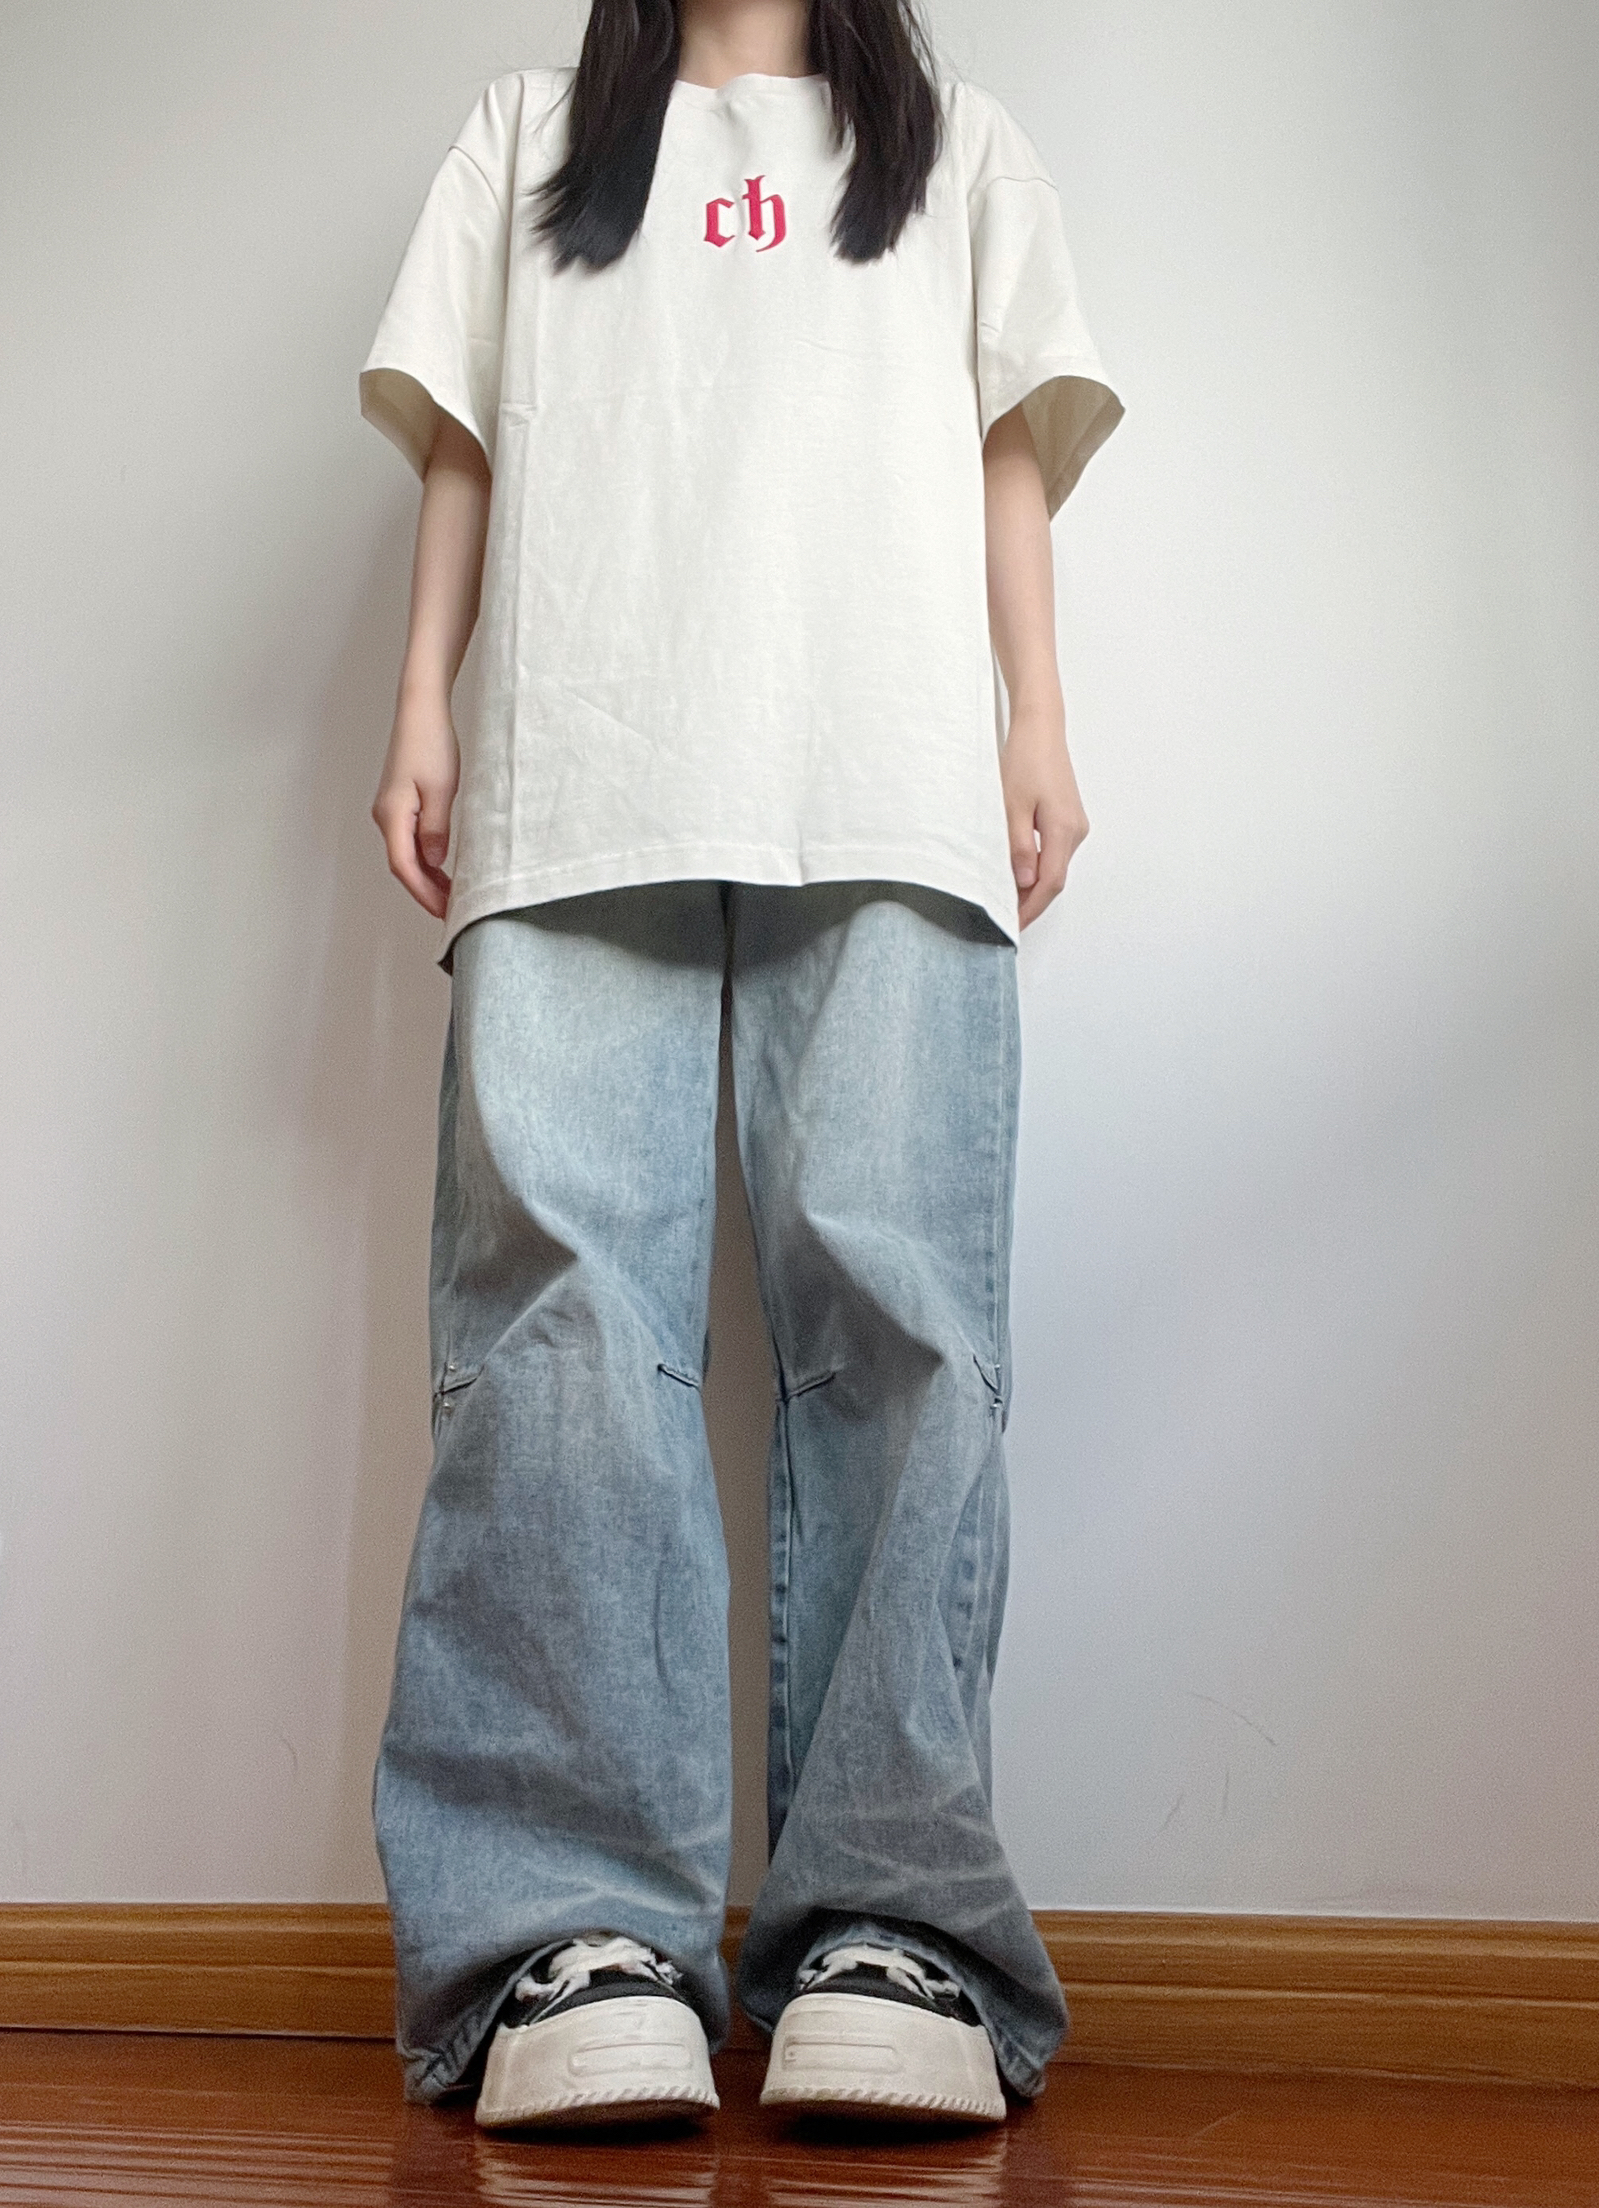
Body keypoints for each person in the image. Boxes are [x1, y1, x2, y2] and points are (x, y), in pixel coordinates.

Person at [358, 0, 1123, 2134]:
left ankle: (898, 1925)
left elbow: (1004, 439)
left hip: (885, 762)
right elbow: (466, 433)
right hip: (577, 756)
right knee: (559, 1331)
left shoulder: (956, 145)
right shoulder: (526, 132)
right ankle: (565, 1932)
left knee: (903, 1322)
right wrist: (422, 696)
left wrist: (1037, 718)